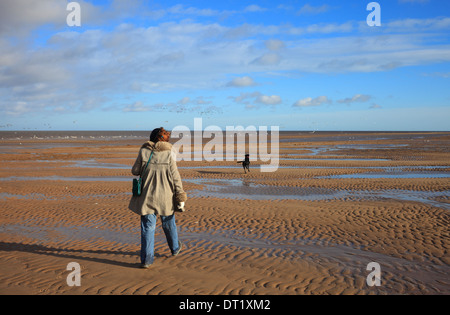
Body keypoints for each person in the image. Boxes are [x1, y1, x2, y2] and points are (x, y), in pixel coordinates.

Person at [128, 127, 187, 269]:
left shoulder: (143, 152)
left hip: (147, 196)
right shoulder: (169, 153)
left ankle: (147, 260)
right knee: (168, 222)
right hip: (166, 196)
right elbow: (175, 177)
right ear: (161, 138)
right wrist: (180, 195)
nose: (169, 135)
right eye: (167, 134)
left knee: (148, 227)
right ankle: (175, 248)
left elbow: (134, 171)